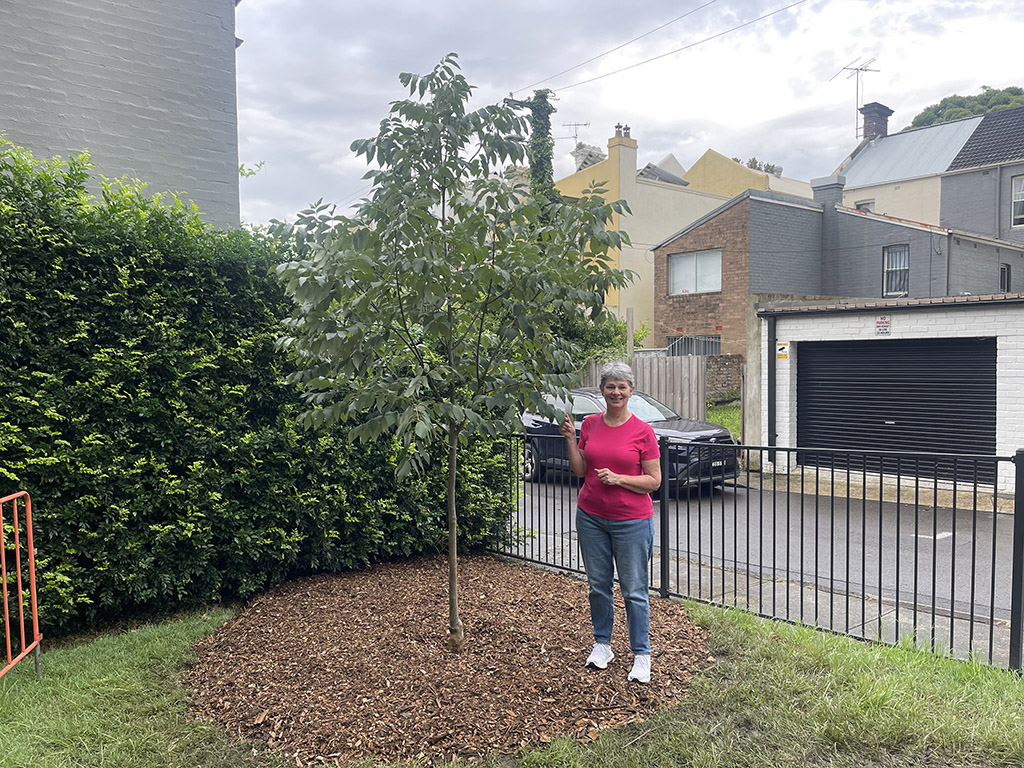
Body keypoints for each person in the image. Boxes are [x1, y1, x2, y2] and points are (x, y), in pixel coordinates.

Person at [559, 362, 661, 683]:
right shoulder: (589, 424)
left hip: (631, 522)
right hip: (590, 517)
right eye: (610, 386)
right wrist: (570, 441)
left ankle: (641, 654)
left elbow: (654, 481)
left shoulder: (643, 431)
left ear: (631, 391)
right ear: (602, 390)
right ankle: (602, 644)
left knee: (634, 590)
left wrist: (619, 478)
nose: (616, 392)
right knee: (598, 587)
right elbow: (579, 471)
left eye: (622, 386)